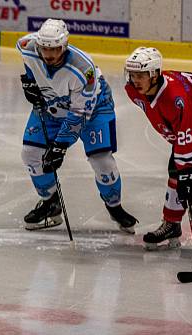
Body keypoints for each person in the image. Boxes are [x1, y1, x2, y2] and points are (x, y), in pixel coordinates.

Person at [17, 19, 138, 233]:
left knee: (101, 160)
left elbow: (79, 113)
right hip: (51, 104)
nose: (49, 55)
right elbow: (29, 63)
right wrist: (29, 82)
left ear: (64, 45)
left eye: (55, 50)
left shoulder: (84, 70)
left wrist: (60, 147)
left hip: (94, 109)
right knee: (30, 154)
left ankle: (115, 207)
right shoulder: (28, 46)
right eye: (45, 49)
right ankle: (50, 203)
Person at [124, 47, 192, 258]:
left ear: (154, 74)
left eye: (141, 75)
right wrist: (184, 172)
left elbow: (189, 136)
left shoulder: (175, 99)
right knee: (176, 170)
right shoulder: (134, 90)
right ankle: (172, 224)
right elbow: (182, 134)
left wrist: (189, 173)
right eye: (133, 74)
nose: (135, 80)